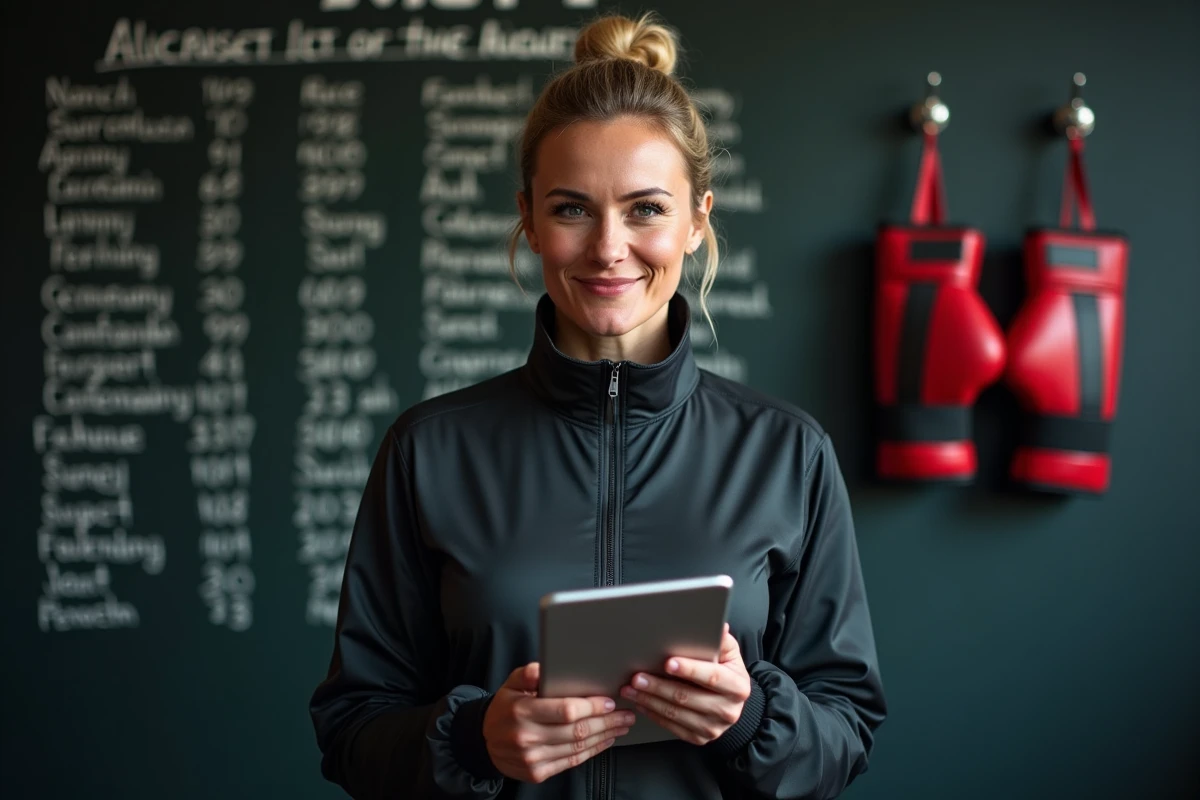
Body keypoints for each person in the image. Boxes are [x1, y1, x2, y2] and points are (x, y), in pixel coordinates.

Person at [310, 12, 886, 800]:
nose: (608, 248)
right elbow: (351, 731)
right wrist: (477, 741)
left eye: (646, 208)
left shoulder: (788, 454)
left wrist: (751, 718)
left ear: (696, 221)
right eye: (572, 208)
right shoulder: (428, 451)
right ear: (530, 220)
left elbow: (845, 735)